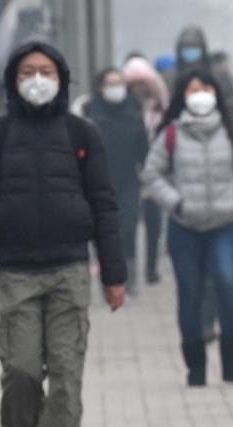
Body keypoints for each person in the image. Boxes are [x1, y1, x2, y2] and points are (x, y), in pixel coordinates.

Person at [0, 41, 126, 427]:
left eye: (46, 71)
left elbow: (104, 204)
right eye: (28, 71)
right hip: (16, 273)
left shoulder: (81, 134)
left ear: (61, 79)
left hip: (70, 270)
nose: (38, 79)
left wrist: (114, 275)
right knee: (22, 370)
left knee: (67, 374)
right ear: (14, 81)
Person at [141, 69, 233, 386]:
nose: (201, 94)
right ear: (183, 96)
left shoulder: (231, 132)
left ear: (216, 92)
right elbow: (153, 174)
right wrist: (175, 203)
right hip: (184, 226)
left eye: (206, 88)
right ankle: (196, 367)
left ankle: (232, 362)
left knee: (228, 284)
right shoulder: (172, 134)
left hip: (225, 224)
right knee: (189, 293)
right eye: (193, 89)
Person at [83, 67, 150, 296]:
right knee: (104, 233)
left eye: (119, 82)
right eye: (111, 83)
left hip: (129, 180)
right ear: (101, 87)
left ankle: (130, 277)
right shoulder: (90, 113)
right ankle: (108, 279)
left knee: (128, 228)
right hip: (98, 181)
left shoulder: (134, 111)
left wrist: (148, 174)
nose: (116, 88)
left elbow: (144, 148)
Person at [123, 55, 170, 285]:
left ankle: (151, 268)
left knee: (154, 223)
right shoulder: (124, 110)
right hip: (130, 173)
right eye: (135, 84)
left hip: (155, 171)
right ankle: (129, 267)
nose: (139, 88)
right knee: (129, 224)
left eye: (143, 83)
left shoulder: (159, 108)